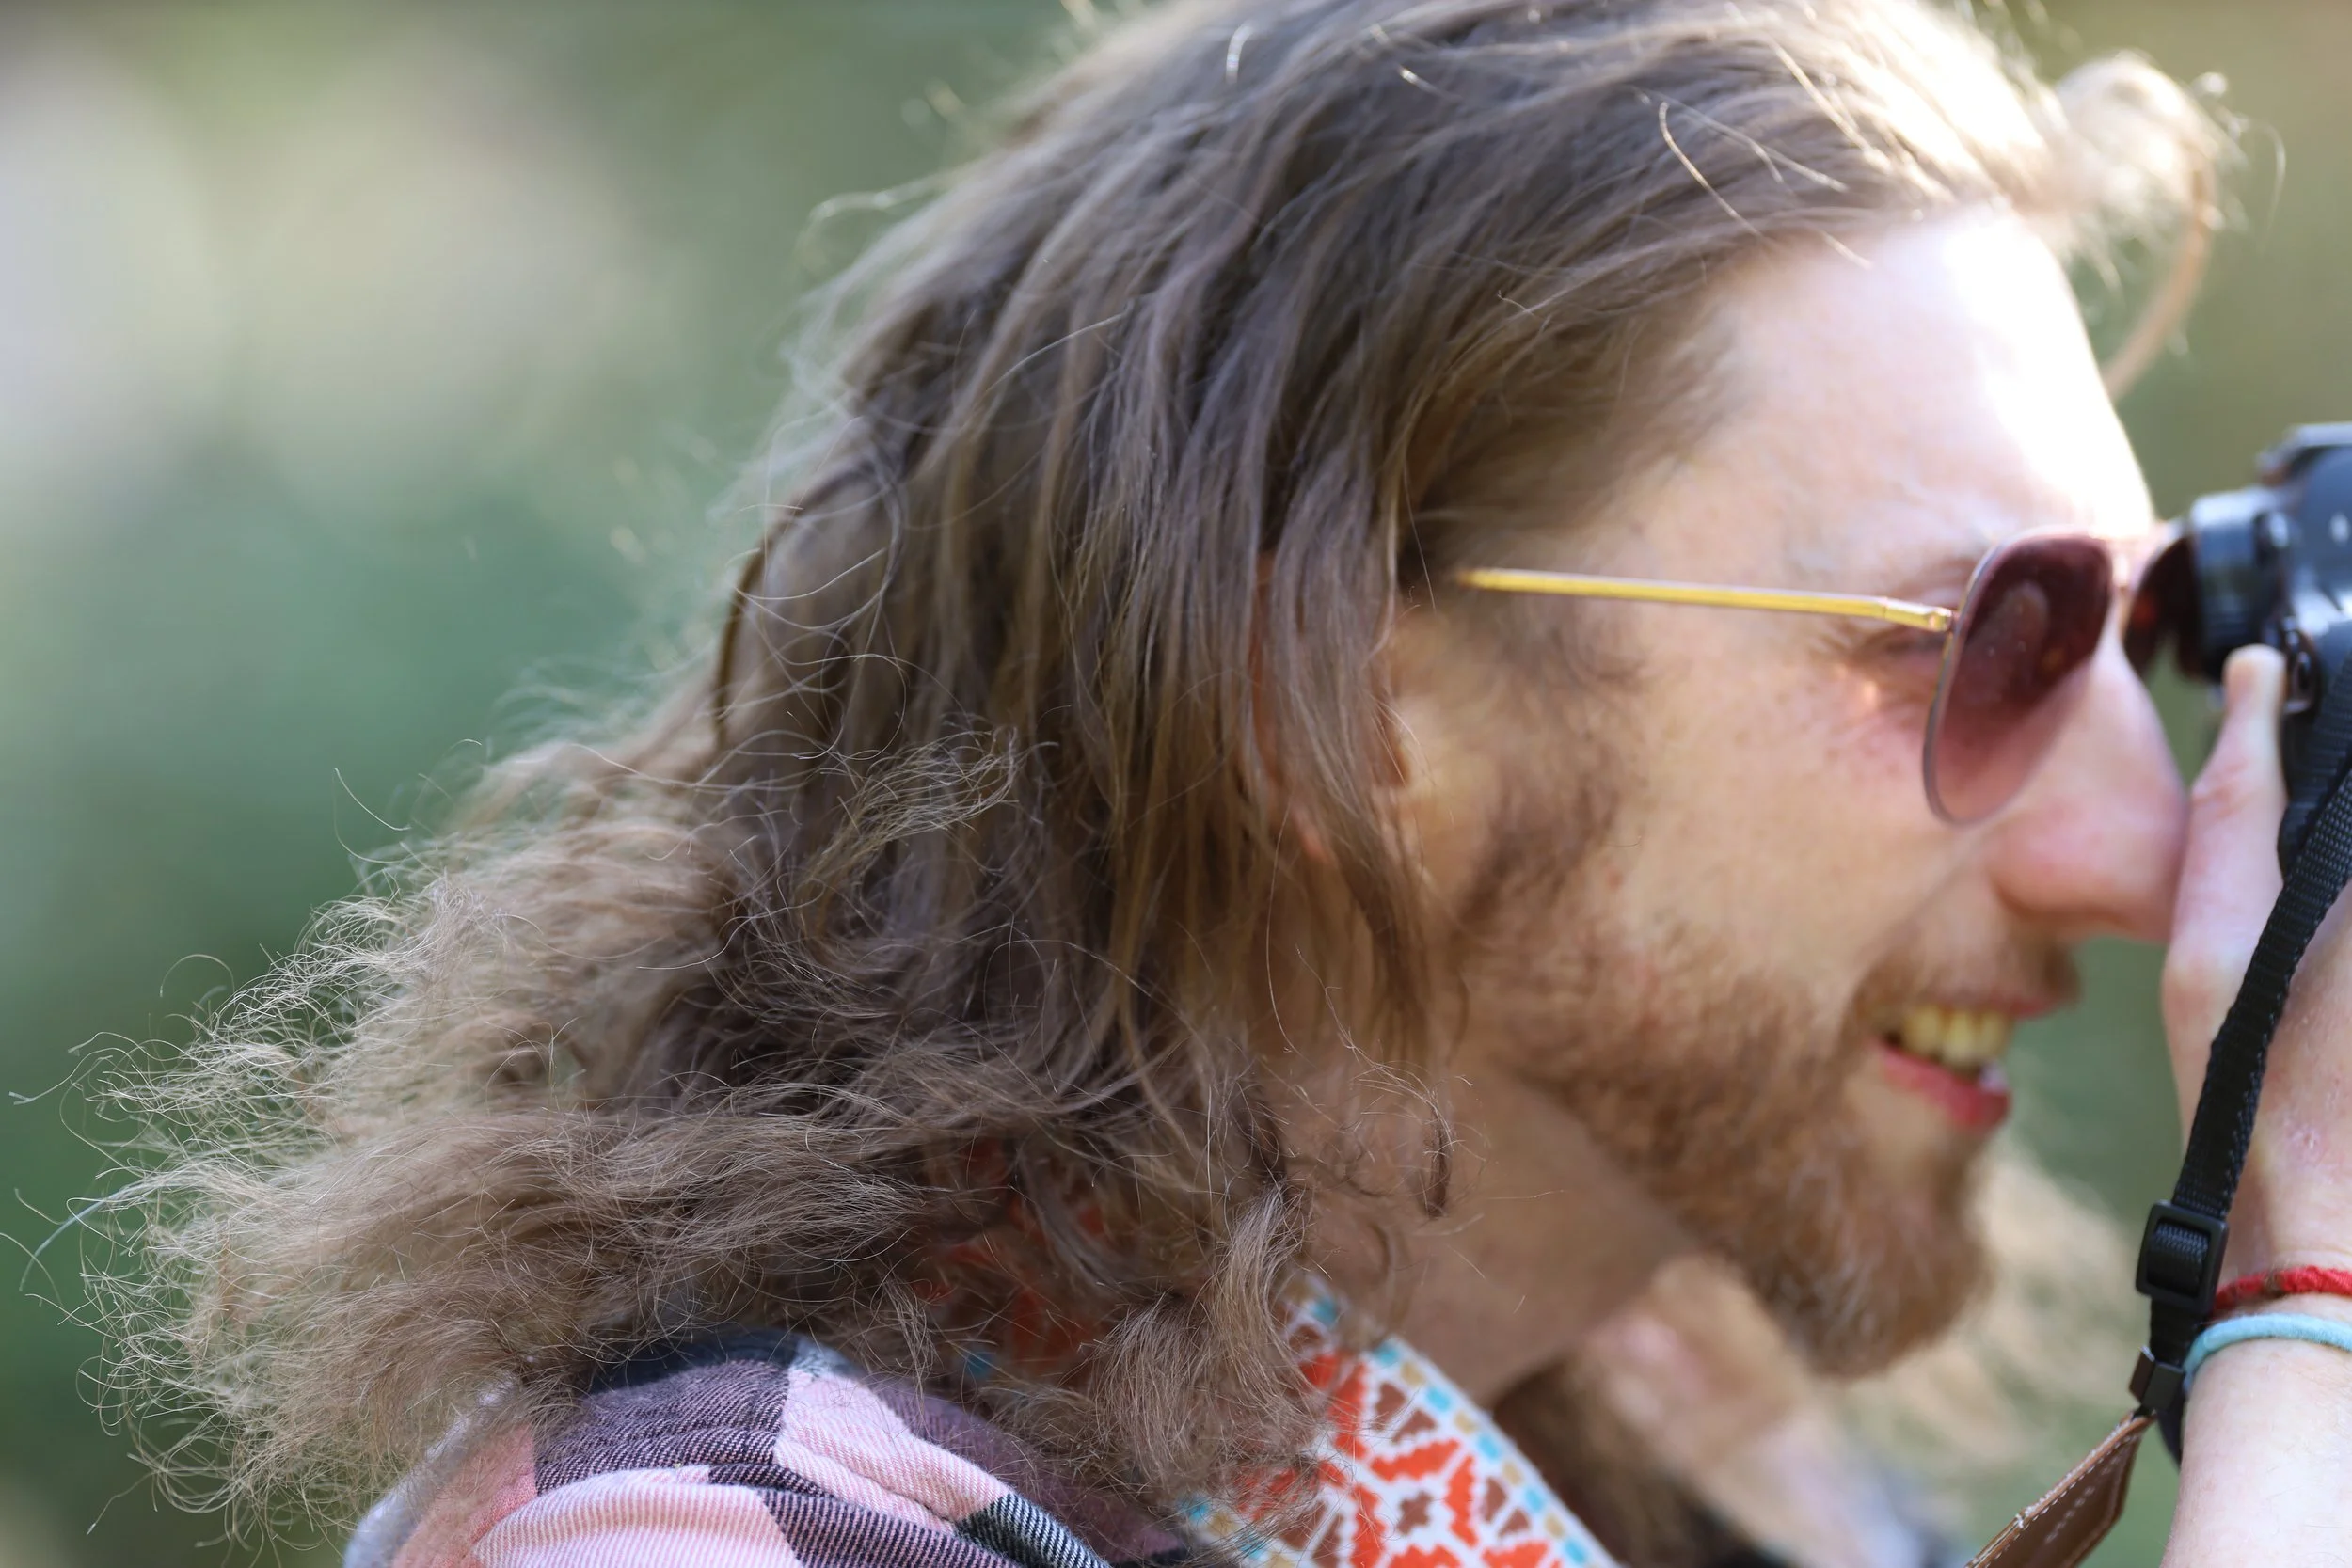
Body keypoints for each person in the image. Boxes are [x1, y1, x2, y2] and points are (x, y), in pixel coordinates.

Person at [99, 0, 2352, 1563]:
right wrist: (2304, 1313)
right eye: (1978, 639)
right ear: (1337, 706)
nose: (2131, 850)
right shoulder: (743, 1521)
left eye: (2133, 633)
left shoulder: (1702, 1472)